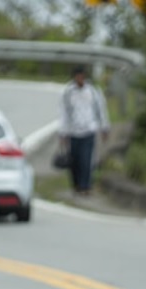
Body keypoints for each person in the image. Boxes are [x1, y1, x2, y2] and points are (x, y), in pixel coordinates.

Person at [58, 66, 110, 196]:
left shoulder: (93, 91)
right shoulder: (68, 92)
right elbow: (64, 113)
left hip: (89, 130)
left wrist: (105, 127)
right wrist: (63, 133)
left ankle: (85, 186)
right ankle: (76, 184)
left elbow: (101, 110)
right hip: (73, 131)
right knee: (74, 161)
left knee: (86, 159)